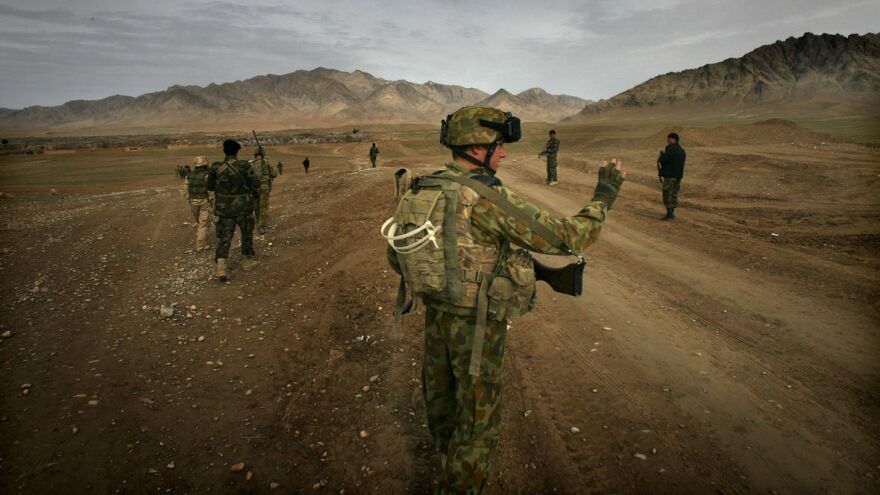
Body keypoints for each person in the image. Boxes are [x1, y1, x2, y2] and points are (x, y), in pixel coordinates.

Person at [383, 106, 625, 494]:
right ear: (478, 149)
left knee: (442, 402)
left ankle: (448, 462)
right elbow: (565, 237)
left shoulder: (425, 185)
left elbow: (396, 256)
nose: (505, 153)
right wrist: (604, 196)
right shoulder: (483, 195)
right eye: (500, 146)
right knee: (478, 422)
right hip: (475, 324)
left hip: (436, 314)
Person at [206, 139, 260, 281]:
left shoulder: (216, 167)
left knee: (224, 237)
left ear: (224, 151)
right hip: (243, 208)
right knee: (246, 233)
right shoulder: (243, 166)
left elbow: (210, 186)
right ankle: (247, 261)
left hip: (224, 209)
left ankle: (221, 267)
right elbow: (255, 183)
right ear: (237, 151)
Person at [185, 156, 213, 251]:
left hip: (193, 202)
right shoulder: (207, 176)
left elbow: (186, 190)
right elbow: (210, 190)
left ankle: (202, 240)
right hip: (204, 201)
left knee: (199, 222)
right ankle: (200, 245)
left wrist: (189, 199)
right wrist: (211, 201)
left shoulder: (189, 175)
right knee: (203, 223)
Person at [657, 132, 686, 220]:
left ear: (673, 139)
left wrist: (661, 156)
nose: (668, 141)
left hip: (670, 176)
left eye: (669, 138)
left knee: (667, 194)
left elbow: (664, 160)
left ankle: (669, 214)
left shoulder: (671, 148)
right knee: (674, 194)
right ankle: (671, 212)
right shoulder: (681, 150)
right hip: (678, 176)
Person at [250, 148, 278, 235]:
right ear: (263, 155)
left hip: (254, 188)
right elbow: (274, 174)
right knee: (263, 206)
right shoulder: (266, 162)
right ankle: (262, 227)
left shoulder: (251, 164)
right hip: (264, 187)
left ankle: (257, 225)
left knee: (256, 207)